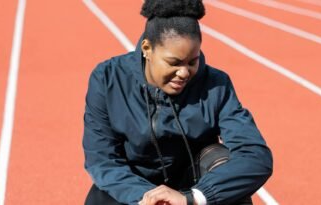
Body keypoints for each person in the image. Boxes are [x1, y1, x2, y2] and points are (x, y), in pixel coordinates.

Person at [82, 0, 273, 204]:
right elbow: (102, 160)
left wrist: (193, 198)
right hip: (133, 187)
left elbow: (255, 155)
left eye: (193, 62)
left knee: (222, 161)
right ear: (147, 48)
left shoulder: (216, 84)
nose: (184, 73)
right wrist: (150, 198)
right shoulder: (108, 78)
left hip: (192, 187)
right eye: (174, 63)